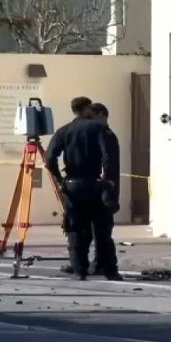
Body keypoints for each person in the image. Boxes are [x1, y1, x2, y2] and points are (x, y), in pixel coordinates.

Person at [45, 97, 119, 281]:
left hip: (72, 186)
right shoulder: (99, 129)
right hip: (94, 184)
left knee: (76, 229)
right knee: (101, 227)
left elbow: (49, 158)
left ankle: (79, 269)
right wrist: (108, 181)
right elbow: (108, 156)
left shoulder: (64, 131)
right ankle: (109, 269)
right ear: (86, 109)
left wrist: (60, 180)